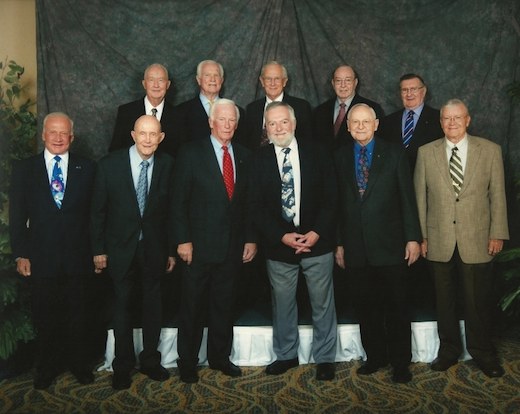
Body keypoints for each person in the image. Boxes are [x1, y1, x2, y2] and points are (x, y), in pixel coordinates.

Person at [414, 99, 509, 378]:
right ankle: (448, 351)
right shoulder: (426, 152)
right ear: (441, 122)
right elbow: (420, 198)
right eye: (446, 118)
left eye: (457, 118)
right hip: (438, 239)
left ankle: (483, 353)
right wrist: (421, 237)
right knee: (444, 301)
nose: (451, 123)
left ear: (468, 120)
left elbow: (498, 196)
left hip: (478, 238)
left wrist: (497, 233)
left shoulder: (490, 150)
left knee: (477, 301)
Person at [249, 102, 338, 380]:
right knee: (283, 303)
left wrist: (316, 233)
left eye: (283, 122)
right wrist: (282, 236)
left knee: (322, 303)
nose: (278, 128)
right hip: (280, 246)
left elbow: (331, 199)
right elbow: (255, 206)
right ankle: (286, 355)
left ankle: (324, 358)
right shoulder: (258, 159)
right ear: (266, 128)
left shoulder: (319, 153)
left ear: (294, 123)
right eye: (272, 124)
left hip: (317, 243)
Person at [334, 103, 422, 383]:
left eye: (365, 122)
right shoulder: (338, 157)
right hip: (356, 247)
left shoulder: (395, 154)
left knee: (396, 307)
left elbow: (407, 199)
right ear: (348, 127)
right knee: (366, 307)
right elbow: (334, 205)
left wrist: (412, 238)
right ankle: (375, 357)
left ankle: (400, 363)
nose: (360, 127)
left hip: (391, 245)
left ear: (376, 124)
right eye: (354, 122)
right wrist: (339, 244)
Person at [9, 112, 96, 389]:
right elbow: (17, 215)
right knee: (46, 315)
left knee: (78, 315)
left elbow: (96, 215)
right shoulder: (25, 169)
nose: (58, 138)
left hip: (78, 257)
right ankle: (46, 367)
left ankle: (80, 365)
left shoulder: (88, 168)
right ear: (43, 135)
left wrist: (97, 252)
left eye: (64, 134)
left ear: (71, 137)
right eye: (53, 133)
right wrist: (21, 253)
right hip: (41, 257)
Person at [172, 99, 257, 383]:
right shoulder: (190, 153)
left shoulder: (245, 155)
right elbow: (178, 202)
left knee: (224, 305)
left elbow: (248, 204)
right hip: (197, 247)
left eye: (232, 120)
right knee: (192, 306)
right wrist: (183, 240)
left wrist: (250, 239)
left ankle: (220, 357)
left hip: (232, 247)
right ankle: (187, 361)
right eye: (222, 119)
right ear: (211, 121)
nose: (228, 124)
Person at [91, 115, 176, 390]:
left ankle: (150, 361)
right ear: (133, 134)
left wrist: (172, 250)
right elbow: (98, 212)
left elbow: (173, 213)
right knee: (122, 307)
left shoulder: (168, 165)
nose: (148, 139)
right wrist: (99, 249)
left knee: (153, 307)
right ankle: (122, 366)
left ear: (161, 138)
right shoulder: (110, 165)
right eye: (143, 133)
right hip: (119, 249)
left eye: (153, 134)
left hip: (154, 248)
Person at [109, 63, 178, 156]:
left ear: (168, 84)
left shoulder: (179, 115)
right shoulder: (126, 112)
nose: (156, 85)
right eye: (151, 80)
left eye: (161, 80)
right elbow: (115, 150)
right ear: (144, 84)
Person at [378, 73, 444, 171]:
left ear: (423, 91)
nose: (409, 94)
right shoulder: (387, 122)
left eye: (413, 89)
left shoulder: (439, 119)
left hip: (426, 179)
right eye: (404, 90)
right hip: (395, 182)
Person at [242, 61, 312, 149]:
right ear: (262, 81)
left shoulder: (301, 107)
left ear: (285, 81)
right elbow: (247, 143)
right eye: (268, 79)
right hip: (259, 160)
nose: (272, 83)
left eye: (277, 79)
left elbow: (308, 142)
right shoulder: (252, 108)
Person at [173, 59, 246, 144]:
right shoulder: (181, 112)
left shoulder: (237, 111)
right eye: (207, 75)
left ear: (222, 80)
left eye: (216, 75)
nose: (212, 79)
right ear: (198, 80)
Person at [312, 65, 384, 149]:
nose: (343, 85)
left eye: (348, 80)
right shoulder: (319, 111)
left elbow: (379, 142)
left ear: (355, 82)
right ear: (333, 83)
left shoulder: (372, 108)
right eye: (338, 81)